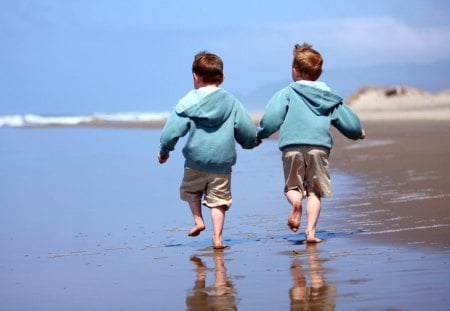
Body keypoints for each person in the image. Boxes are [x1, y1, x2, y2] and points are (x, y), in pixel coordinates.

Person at [257, 43, 365, 243]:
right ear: (319, 73)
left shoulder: (287, 93)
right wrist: (358, 133)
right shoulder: (327, 97)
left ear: (294, 71)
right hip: (318, 147)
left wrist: (260, 134)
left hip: (291, 147)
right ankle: (311, 232)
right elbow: (348, 121)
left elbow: (272, 118)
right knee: (315, 191)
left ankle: (296, 202)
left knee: (292, 187)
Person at [158, 51, 259, 249]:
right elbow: (246, 128)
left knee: (191, 191)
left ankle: (198, 220)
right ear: (222, 78)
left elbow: (171, 131)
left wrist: (165, 150)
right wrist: (250, 143)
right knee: (218, 201)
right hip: (222, 163)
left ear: (195, 77)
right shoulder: (231, 102)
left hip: (195, 162)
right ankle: (218, 238)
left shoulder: (187, 102)